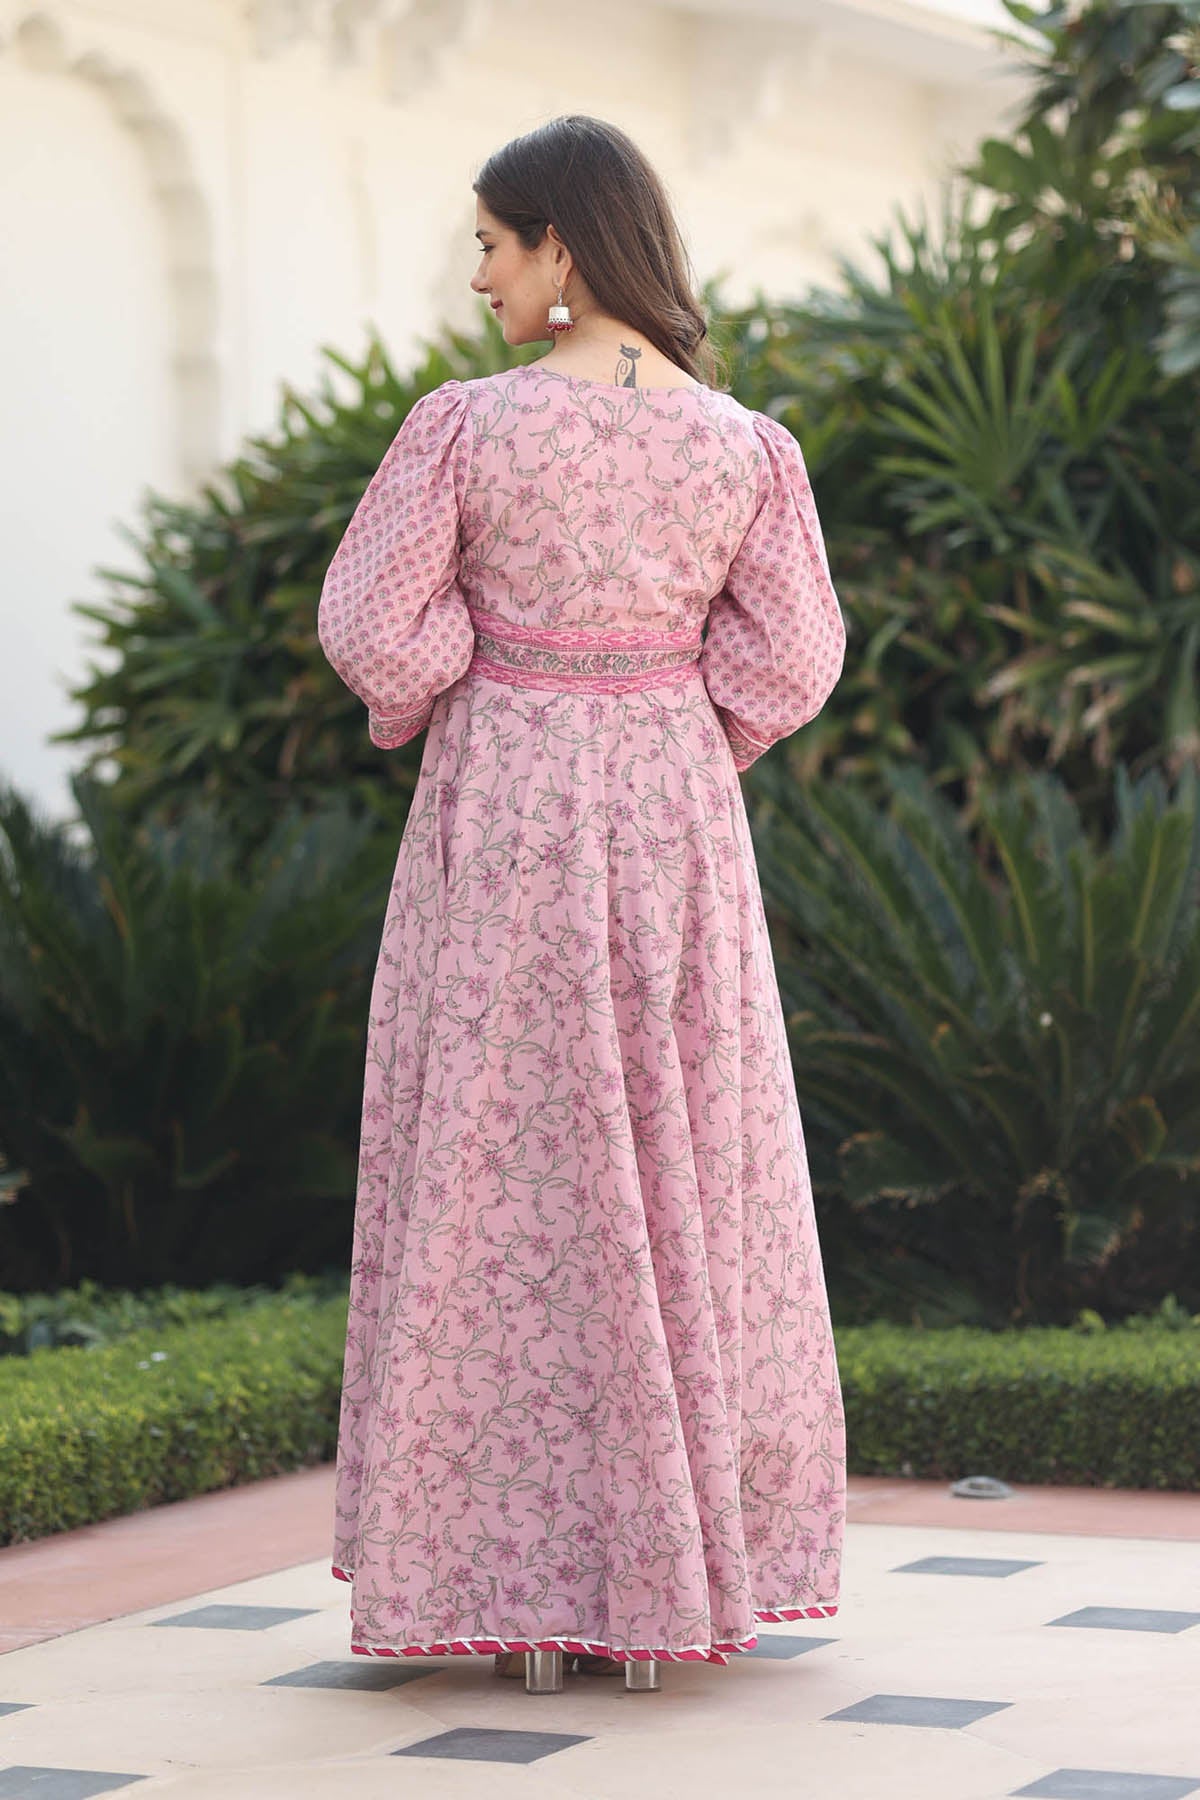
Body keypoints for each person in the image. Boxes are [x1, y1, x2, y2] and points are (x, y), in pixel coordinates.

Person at [317, 113, 847, 1698]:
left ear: (560, 245)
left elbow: (373, 626)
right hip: (674, 817)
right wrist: (679, 723)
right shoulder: (745, 447)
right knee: (678, 1159)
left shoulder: (467, 428)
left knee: (499, 1173)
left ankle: (518, 1586)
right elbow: (796, 656)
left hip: (506, 813)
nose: (479, 276)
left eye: (491, 245)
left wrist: (469, 675)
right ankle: (668, 1577)